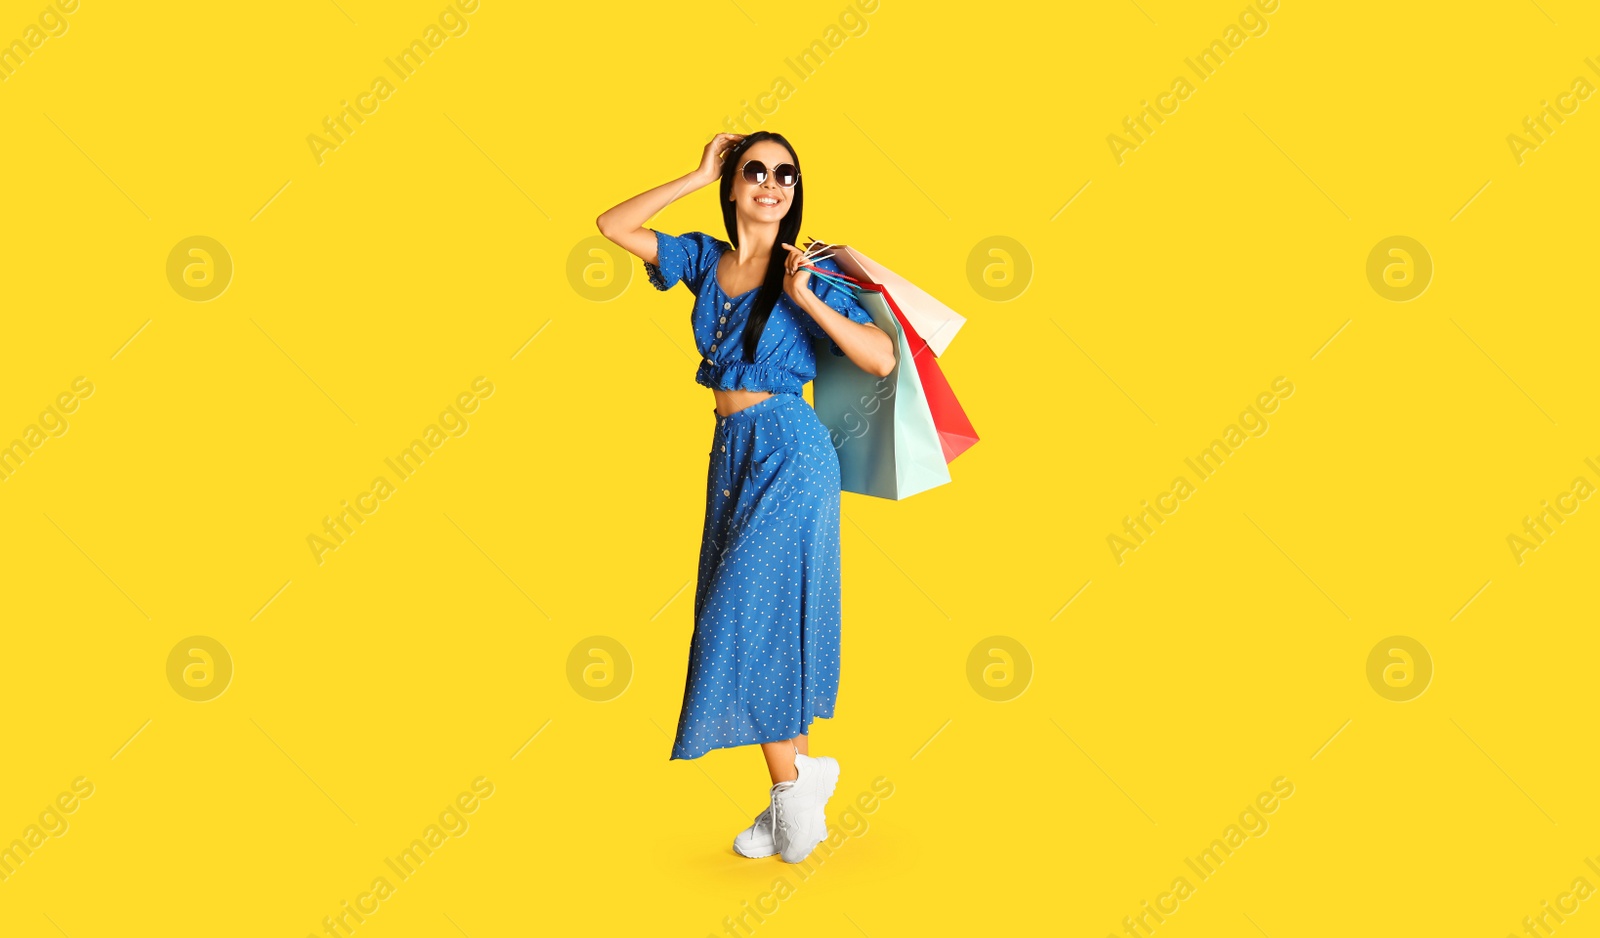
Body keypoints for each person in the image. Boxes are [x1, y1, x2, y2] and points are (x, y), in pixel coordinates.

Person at [597, 130, 894, 863]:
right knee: (753, 615)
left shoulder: (807, 268)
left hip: (791, 450)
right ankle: (794, 783)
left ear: (795, 190)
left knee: (740, 609)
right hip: (730, 454)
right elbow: (614, 226)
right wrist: (698, 172)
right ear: (734, 184)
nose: (771, 184)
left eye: (785, 174)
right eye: (754, 171)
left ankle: (795, 795)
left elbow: (881, 356)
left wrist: (804, 299)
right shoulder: (704, 258)